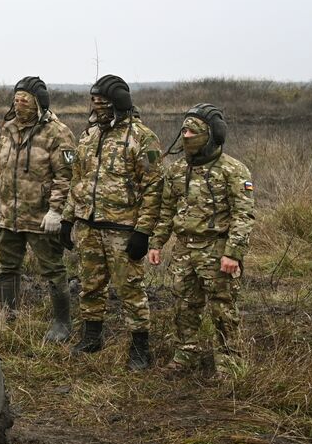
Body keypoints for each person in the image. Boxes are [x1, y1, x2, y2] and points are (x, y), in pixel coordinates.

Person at [61, 75, 163, 369]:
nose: (97, 108)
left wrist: (143, 232)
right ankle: (91, 338)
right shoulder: (89, 136)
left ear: (118, 103)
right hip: (89, 227)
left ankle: (140, 348)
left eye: (103, 103)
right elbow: (77, 181)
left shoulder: (142, 138)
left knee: (130, 289)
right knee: (90, 286)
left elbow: (154, 189)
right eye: (93, 102)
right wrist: (69, 218)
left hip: (123, 229)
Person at [146, 104, 254, 377]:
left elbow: (244, 215)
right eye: (184, 129)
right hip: (184, 249)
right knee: (184, 305)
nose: (186, 135)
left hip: (217, 249)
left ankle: (230, 364)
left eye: (194, 130)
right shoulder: (178, 169)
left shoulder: (233, 170)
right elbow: (166, 209)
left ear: (211, 134)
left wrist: (233, 253)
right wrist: (157, 243)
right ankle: (186, 354)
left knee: (223, 307)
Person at [0, 76, 77, 341]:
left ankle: (62, 323)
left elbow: (66, 175)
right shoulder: (8, 129)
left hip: (41, 216)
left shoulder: (58, 132)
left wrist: (56, 211)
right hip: (9, 215)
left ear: (39, 102)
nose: (19, 103)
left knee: (53, 269)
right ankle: (7, 316)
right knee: (6, 267)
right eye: (16, 98)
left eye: (26, 99)